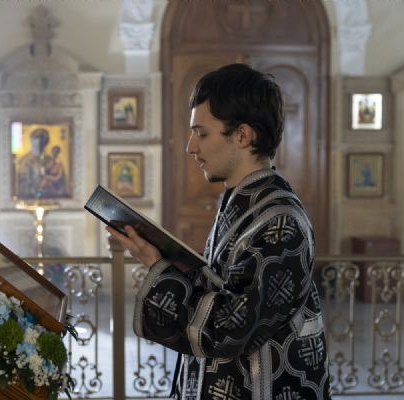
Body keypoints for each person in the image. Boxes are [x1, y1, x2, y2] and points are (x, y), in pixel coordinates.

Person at [107, 64, 331, 399]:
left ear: (242, 136)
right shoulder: (243, 202)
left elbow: (230, 329)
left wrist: (159, 270)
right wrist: (167, 258)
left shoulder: (281, 220)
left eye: (202, 133)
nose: (190, 147)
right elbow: (219, 286)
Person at [17, 128, 52, 198]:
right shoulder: (26, 161)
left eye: (42, 145)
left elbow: (60, 185)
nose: (38, 148)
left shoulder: (50, 160)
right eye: (36, 144)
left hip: (50, 197)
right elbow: (23, 187)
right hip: (31, 198)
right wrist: (39, 189)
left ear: (45, 144)